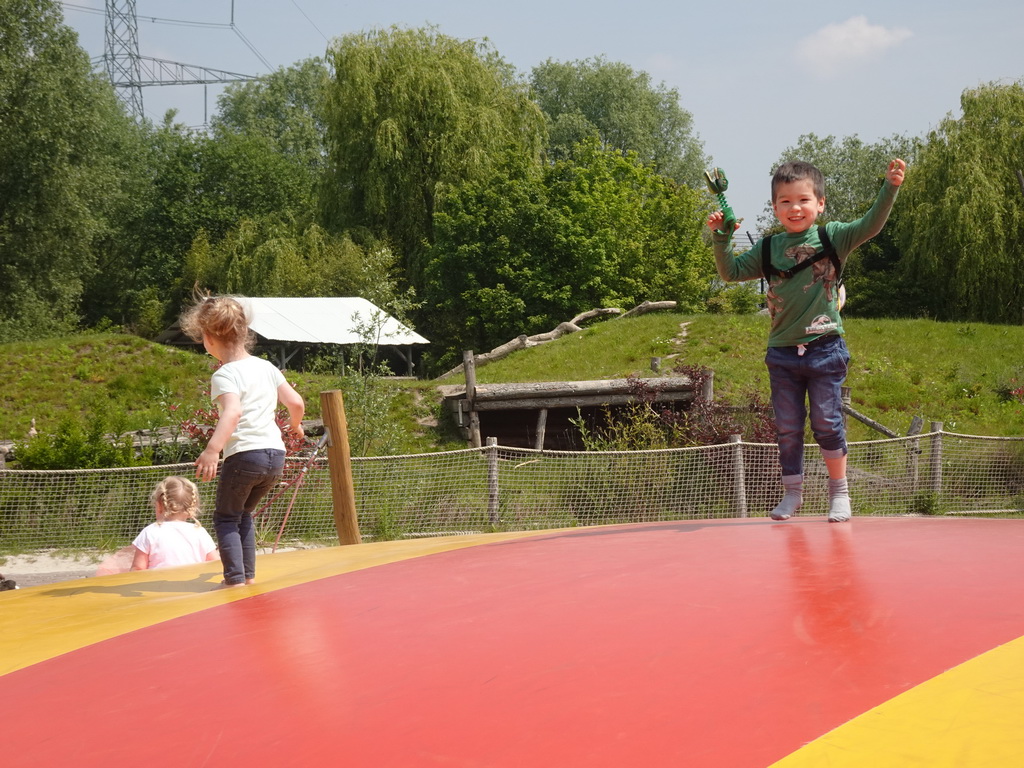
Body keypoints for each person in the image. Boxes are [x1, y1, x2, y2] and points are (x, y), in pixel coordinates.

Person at [707, 158, 905, 523]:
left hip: (825, 347)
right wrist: (721, 237)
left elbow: (871, 226)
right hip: (782, 352)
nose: (794, 208)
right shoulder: (768, 249)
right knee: (787, 426)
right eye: (784, 201)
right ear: (774, 206)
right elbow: (730, 272)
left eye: (803, 200)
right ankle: (793, 494)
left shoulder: (833, 237)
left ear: (820, 203)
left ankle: (839, 493)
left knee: (827, 422)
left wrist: (889, 187)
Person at [179, 296, 305, 586]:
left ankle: (235, 580)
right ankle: (248, 578)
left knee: (225, 517)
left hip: (246, 455)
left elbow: (233, 412)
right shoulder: (267, 367)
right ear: (244, 333)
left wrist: (212, 450)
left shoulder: (225, 374)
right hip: (276, 456)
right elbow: (295, 402)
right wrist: (295, 426)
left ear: (208, 339)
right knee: (243, 514)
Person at [131, 476, 219, 570]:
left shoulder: (149, 532)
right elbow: (215, 564)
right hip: (192, 583)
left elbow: (138, 568)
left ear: (159, 504)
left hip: (158, 584)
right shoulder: (200, 532)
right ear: (192, 507)